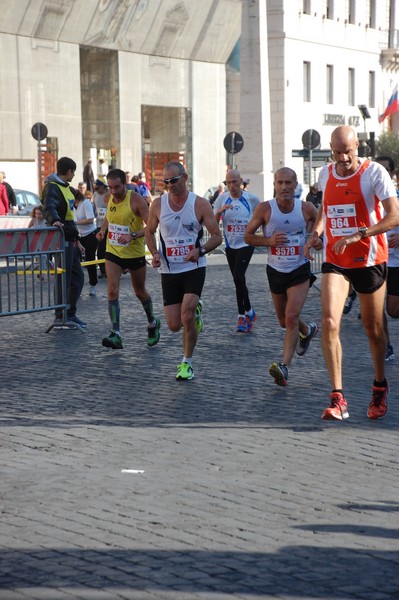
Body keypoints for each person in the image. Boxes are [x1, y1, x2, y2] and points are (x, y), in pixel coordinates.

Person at [305, 125, 399, 421]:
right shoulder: (325, 174)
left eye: (348, 151)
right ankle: (338, 397)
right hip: (336, 258)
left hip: (370, 259)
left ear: (357, 146)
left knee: (373, 329)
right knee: (330, 321)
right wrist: (316, 233)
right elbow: (325, 209)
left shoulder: (374, 174)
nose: (343, 158)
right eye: (337, 152)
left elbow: (394, 215)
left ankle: (379, 386)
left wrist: (361, 234)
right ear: (331, 150)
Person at [145, 161, 222, 380]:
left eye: (174, 181)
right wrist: (155, 253)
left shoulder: (200, 204)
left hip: (193, 267)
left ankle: (186, 364)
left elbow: (217, 236)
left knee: (186, 315)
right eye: (166, 182)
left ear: (185, 178)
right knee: (173, 325)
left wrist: (201, 250)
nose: (170, 185)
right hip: (169, 270)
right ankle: (196, 311)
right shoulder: (158, 205)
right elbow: (149, 232)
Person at [244, 167, 320, 386]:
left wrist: (316, 241)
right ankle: (307, 330)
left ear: (295, 185)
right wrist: (268, 241)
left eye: (289, 183)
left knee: (291, 316)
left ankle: (284, 367)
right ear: (275, 185)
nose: (284, 187)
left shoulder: (306, 208)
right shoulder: (265, 209)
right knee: (283, 320)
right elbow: (248, 236)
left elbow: (321, 231)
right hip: (276, 270)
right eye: (280, 183)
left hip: (299, 269)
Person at [96, 168, 160, 349]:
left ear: (124, 183)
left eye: (117, 187)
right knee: (112, 290)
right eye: (111, 187)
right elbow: (109, 216)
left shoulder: (136, 200)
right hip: (113, 251)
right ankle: (116, 333)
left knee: (139, 292)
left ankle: (152, 323)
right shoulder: (108, 198)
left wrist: (133, 234)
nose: (114, 192)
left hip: (134, 253)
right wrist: (102, 230)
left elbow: (151, 227)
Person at [213, 168, 260, 332]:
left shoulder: (252, 199)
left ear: (241, 182)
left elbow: (263, 218)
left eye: (234, 182)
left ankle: (244, 313)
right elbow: (211, 223)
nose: (231, 186)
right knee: (238, 281)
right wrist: (219, 212)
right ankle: (247, 315)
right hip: (230, 245)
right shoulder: (222, 199)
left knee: (239, 276)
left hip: (247, 243)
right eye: (228, 183)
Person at [42, 156, 86, 327]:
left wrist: (77, 240)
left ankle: (70, 312)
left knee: (77, 278)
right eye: (73, 172)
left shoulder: (67, 188)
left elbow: (70, 217)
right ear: (69, 172)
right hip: (61, 238)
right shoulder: (52, 188)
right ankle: (61, 314)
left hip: (70, 237)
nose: (74, 175)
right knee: (63, 279)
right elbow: (49, 206)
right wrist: (54, 220)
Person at [375, 154, 399, 362]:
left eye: (386, 170)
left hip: (396, 262)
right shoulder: (368, 196)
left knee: (393, 310)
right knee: (377, 309)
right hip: (375, 261)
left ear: (392, 174)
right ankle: (386, 345)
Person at [72, 187, 98, 297]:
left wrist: (76, 222)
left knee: (90, 259)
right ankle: (77, 285)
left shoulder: (86, 202)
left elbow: (90, 219)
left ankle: (93, 284)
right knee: (75, 260)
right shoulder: (70, 205)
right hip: (78, 235)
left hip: (90, 234)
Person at [93, 178, 109, 278]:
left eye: (97, 188)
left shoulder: (109, 195)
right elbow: (95, 208)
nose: (95, 190)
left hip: (110, 225)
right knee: (100, 249)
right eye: (94, 188)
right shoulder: (95, 195)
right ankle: (103, 271)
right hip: (99, 225)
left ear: (103, 187)